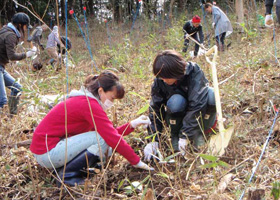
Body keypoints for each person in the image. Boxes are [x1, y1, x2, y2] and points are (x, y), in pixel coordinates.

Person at [30, 71, 154, 187]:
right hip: (48, 153)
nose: (112, 103)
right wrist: (136, 161)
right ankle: (66, 176)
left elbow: (108, 132)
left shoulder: (85, 100)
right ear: (101, 91)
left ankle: (70, 170)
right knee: (102, 140)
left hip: (48, 150)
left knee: (104, 143)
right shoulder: (89, 104)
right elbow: (109, 136)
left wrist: (132, 125)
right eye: (111, 98)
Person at [144, 50, 217, 161]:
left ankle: (203, 130)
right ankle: (175, 134)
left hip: (196, 114)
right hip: (176, 114)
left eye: (166, 77)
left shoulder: (194, 72)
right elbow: (155, 109)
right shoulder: (160, 80)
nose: (163, 80)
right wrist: (154, 139)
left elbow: (197, 105)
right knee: (176, 102)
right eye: (161, 78)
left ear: (176, 73)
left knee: (211, 95)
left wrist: (186, 135)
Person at [0, 13, 37, 115]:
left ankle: (12, 116)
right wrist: (28, 54)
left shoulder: (5, 30)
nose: (25, 29)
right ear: (20, 25)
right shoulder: (11, 35)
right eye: (25, 26)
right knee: (2, 101)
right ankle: (4, 126)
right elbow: (11, 56)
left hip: (1, 67)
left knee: (17, 88)